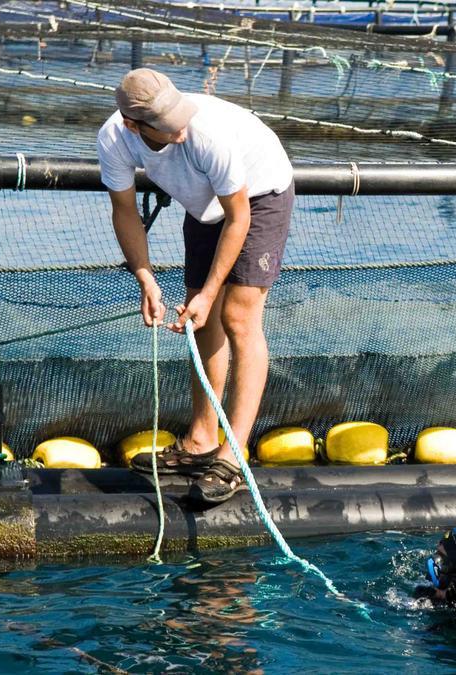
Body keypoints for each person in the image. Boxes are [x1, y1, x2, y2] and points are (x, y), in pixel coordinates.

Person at [97, 68, 294, 504]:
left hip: (257, 194)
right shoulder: (114, 138)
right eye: (168, 126)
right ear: (134, 125)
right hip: (205, 206)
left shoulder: (206, 133)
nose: (180, 129)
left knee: (237, 316)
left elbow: (239, 217)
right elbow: (125, 211)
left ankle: (233, 454)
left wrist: (211, 292)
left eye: (180, 116)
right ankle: (202, 441)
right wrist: (145, 277)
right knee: (197, 318)